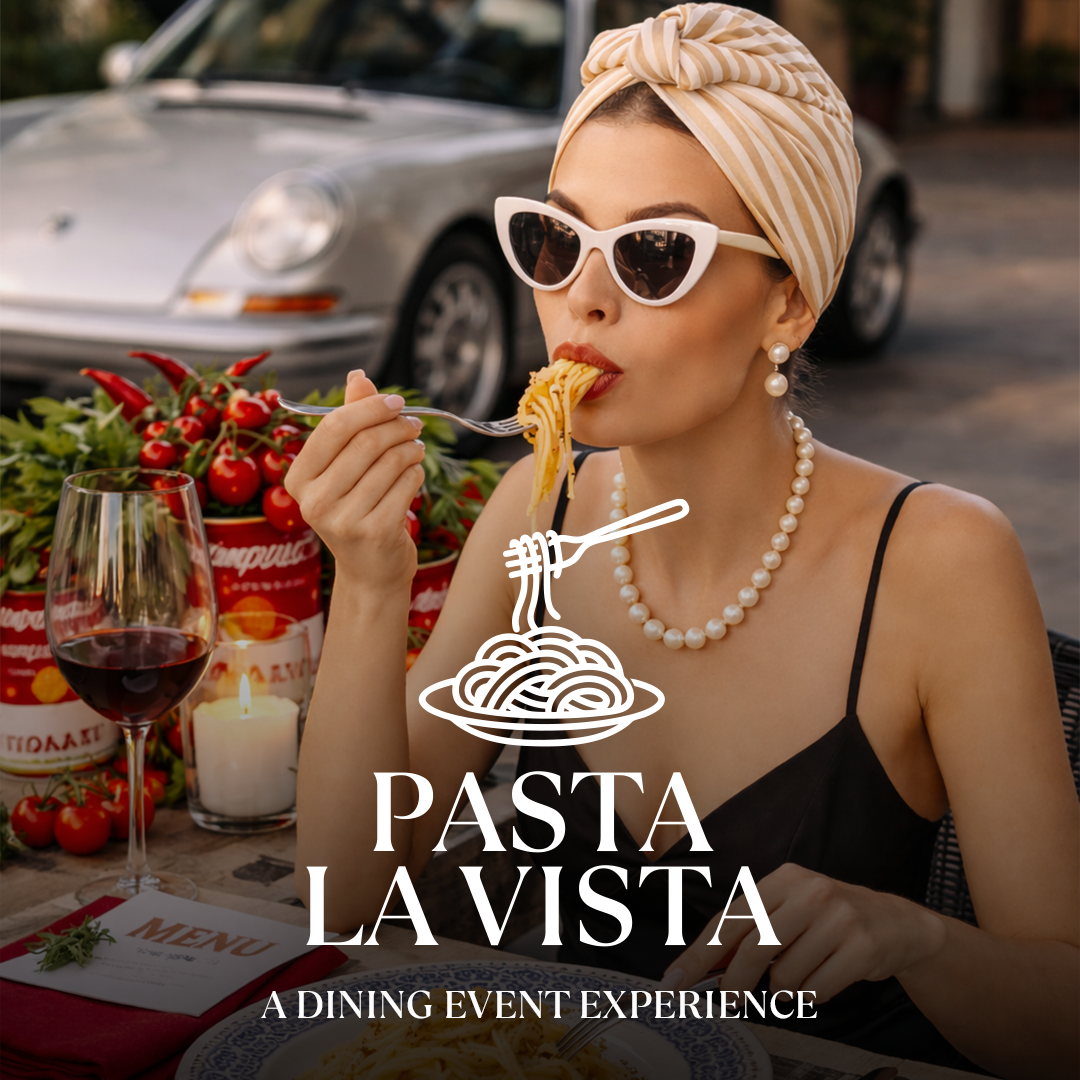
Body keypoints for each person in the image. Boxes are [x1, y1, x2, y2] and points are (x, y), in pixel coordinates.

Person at [284, 5, 1078, 1076]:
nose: (582, 301)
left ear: (788, 304)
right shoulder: (539, 509)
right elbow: (344, 897)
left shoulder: (941, 560)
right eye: (556, 242)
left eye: (654, 254)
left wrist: (916, 939)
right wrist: (371, 583)